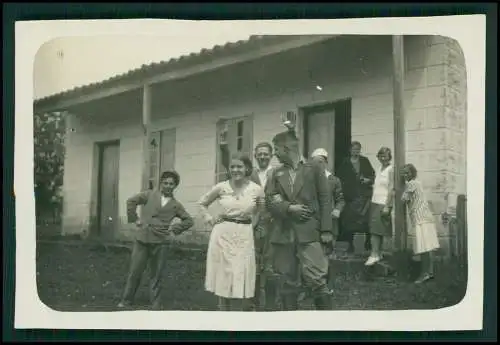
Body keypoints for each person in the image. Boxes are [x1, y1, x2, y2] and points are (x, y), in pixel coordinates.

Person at [264, 130, 333, 311]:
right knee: (288, 280)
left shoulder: (314, 168)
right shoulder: (275, 174)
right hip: (284, 234)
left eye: (276, 149)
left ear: (287, 148)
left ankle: (328, 326)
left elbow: (326, 200)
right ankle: (292, 326)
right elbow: (270, 200)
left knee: (317, 277)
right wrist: (289, 208)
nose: (274, 154)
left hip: (309, 233)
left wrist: (326, 230)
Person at [118, 170, 194, 310]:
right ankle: (126, 300)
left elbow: (189, 221)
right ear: (161, 183)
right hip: (143, 239)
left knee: (156, 274)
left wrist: (174, 229)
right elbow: (131, 201)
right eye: (165, 183)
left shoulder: (176, 205)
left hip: (161, 242)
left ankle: (155, 303)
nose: (168, 186)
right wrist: (135, 219)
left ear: (175, 186)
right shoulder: (149, 195)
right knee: (135, 271)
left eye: (171, 184)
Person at [198, 152, 263, 311]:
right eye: (232, 167)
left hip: (244, 234)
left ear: (247, 168)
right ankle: (223, 313)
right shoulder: (222, 187)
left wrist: (253, 224)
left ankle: (240, 313)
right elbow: (202, 203)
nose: (236, 170)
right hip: (223, 233)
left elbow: (261, 210)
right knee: (223, 273)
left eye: (239, 166)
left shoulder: (256, 189)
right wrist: (210, 219)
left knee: (240, 271)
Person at [401, 163, 440, 283]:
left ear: (413, 173)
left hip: (420, 219)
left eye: (407, 172)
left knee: (424, 248)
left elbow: (404, 199)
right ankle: (430, 272)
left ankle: (424, 274)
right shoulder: (417, 183)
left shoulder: (412, 184)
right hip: (425, 217)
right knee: (427, 247)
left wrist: (396, 191)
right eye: (403, 173)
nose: (405, 175)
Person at [337, 141, 375, 254]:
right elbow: (339, 177)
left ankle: (368, 244)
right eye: (354, 149)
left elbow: (372, 175)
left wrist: (368, 180)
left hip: (364, 196)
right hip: (350, 196)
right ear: (350, 150)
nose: (356, 151)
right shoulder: (345, 162)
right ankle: (350, 245)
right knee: (349, 222)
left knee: (366, 221)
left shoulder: (364, 161)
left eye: (358, 149)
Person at [311, 148, 346, 257]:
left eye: (321, 161)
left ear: (326, 162)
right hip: (313, 222)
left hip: (330, 222)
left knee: (327, 253)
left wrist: (337, 209)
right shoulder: (307, 179)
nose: (318, 164)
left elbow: (340, 200)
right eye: (315, 162)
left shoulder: (334, 180)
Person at [365, 147, 394, 266]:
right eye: (380, 156)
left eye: (385, 156)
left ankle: (374, 254)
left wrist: (388, 206)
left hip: (383, 202)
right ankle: (379, 253)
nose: (383, 158)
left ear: (389, 157)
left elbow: (392, 188)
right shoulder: (378, 169)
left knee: (376, 231)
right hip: (374, 201)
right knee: (376, 228)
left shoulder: (391, 170)